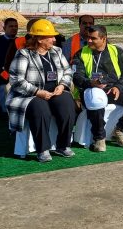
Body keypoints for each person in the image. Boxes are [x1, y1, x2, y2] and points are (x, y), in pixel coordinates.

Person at [7, 19, 77, 162]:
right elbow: (16, 80)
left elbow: (68, 71)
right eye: (50, 37)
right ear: (39, 39)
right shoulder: (24, 54)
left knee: (67, 104)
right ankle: (42, 149)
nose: (54, 39)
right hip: (29, 95)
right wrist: (37, 92)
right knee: (40, 108)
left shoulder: (57, 51)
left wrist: (62, 86)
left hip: (55, 92)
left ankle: (63, 145)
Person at [72, 25, 123, 152]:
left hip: (113, 90)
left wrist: (118, 87)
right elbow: (76, 76)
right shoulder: (80, 54)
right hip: (91, 90)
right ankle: (99, 137)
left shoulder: (116, 51)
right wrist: (90, 83)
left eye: (93, 38)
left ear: (103, 38)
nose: (89, 40)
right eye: (88, 38)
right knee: (96, 98)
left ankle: (120, 130)